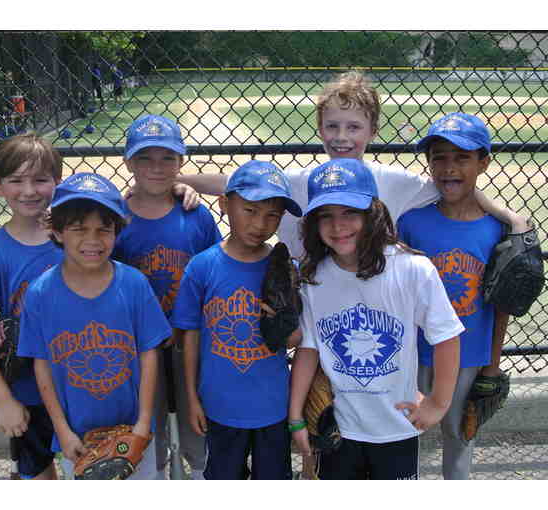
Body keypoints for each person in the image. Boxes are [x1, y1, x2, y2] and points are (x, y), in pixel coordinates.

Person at [175, 71, 529, 259]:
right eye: (332, 126)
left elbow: (452, 185)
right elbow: (234, 183)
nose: (341, 137)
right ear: (320, 129)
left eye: (354, 127)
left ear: (372, 131)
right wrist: (176, 181)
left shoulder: (392, 181)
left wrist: (510, 218)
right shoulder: (303, 180)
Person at [289, 158, 464, 480]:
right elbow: (309, 348)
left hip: (397, 425)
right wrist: (296, 416)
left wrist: (438, 402)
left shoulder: (411, 269)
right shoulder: (315, 278)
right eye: (326, 215)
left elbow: (446, 336)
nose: (338, 226)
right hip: (339, 427)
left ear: (373, 212)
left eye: (350, 212)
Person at [16, 173, 172, 480]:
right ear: (57, 231)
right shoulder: (40, 293)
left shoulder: (134, 284)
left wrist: (143, 423)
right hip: (78, 437)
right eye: (79, 229)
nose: (93, 240)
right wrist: (62, 431)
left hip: (133, 430)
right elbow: (42, 365)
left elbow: (149, 354)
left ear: (117, 231)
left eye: (104, 229)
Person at [170, 160, 303, 480]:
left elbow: (296, 339)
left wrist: (284, 326)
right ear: (224, 204)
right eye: (250, 210)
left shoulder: (284, 268)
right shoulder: (202, 267)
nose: (260, 224)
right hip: (220, 404)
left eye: (273, 215)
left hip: (272, 404)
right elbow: (190, 335)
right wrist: (192, 397)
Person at [397, 112, 510, 479]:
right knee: (403, 435)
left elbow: (502, 305)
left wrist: (492, 365)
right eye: (439, 158)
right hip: (415, 352)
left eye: (462, 158)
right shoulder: (411, 222)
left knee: (459, 436)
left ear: (483, 163)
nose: (449, 168)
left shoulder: (497, 230)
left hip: (470, 355)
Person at [112, 114, 222, 480]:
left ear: (180, 162)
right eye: (145, 158)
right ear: (128, 162)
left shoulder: (195, 214)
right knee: (149, 428)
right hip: (137, 346)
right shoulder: (116, 219)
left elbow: (214, 277)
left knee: (197, 428)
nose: (156, 168)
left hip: (189, 342)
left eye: (167, 158)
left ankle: (203, 474)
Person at [0, 133, 63, 480]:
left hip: (82, 379)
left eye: (40, 179)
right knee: (39, 471)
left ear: (58, 180)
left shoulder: (78, 236)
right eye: (16, 180)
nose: (29, 191)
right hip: (28, 388)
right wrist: (3, 400)